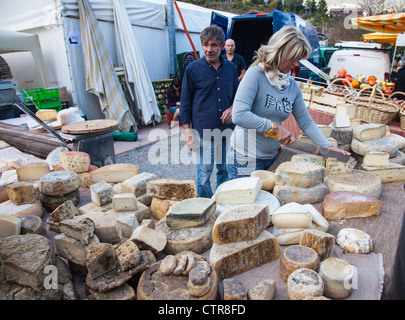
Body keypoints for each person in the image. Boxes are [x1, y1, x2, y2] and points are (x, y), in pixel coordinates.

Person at [227, 25, 350, 179]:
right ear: (279, 53)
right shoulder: (255, 74)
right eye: (293, 58)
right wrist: (274, 128)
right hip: (244, 159)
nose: (296, 64)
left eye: (299, 59)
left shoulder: (292, 86)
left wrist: (329, 148)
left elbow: (306, 123)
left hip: (271, 158)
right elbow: (239, 115)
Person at [177, 25, 239, 198]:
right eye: (205, 44)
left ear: (221, 46)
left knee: (225, 170)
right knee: (204, 174)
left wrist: (232, 108)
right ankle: (205, 205)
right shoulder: (193, 70)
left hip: (227, 131)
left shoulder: (230, 69)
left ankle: (221, 201)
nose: (208, 49)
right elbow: (185, 103)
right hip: (204, 131)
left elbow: (238, 96)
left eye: (213, 45)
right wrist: (188, 131)